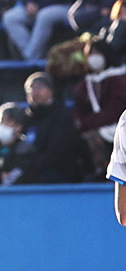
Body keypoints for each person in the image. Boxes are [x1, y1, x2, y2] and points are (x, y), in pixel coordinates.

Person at [73, 37, 126, 177]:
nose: (94, 57)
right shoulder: (85, 84)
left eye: (97, 53)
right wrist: (83, 123)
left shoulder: (119, 79)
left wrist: (89, 123)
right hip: (95, 127)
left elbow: (116, 109)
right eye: (90, 54)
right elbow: (79, 109)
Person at [24, 71, 83, 182]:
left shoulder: (63, 116)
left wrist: (34, 167)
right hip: (32, 173)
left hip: (60, 174)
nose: (35, 92)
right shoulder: (26, 119)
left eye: (40, 88)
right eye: (31, 89)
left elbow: (57, 149)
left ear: (51, 90)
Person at [2, 0, 71, 60]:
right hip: (37, 7)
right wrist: (28, 3)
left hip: (67, 7)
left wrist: (40, 5)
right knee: (9, 18)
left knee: (44, 15)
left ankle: (30, 56)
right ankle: (32, 55)